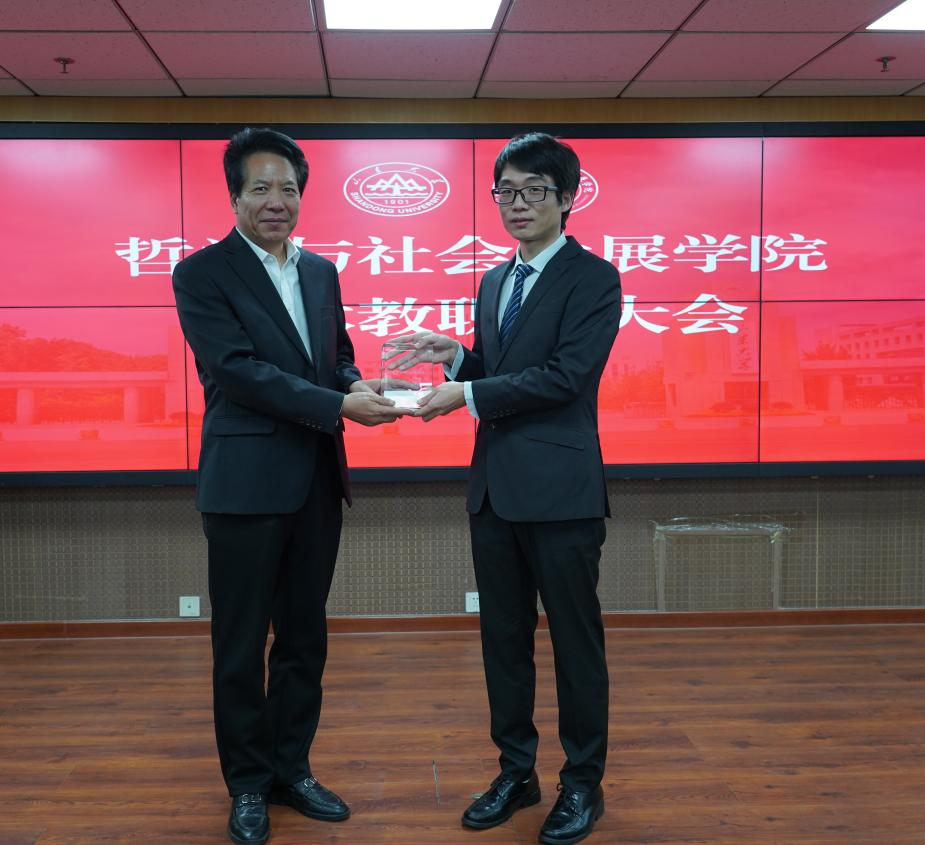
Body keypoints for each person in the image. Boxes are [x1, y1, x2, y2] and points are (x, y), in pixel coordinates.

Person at [172, 127, 406, 845]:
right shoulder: (201, 274)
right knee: (240, 644)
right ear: (234, 196)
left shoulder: (321, 272)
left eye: (289, 189)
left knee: (304, 638)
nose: (277, 201)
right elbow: (237, 372)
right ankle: (246, 783)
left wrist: (353, 383)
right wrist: (337, 405)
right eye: (261, 188)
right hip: (244, 485)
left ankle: (290, 769)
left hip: (315, 480)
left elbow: (335, 354)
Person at [402, 133, 620, 845]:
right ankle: (516, 772)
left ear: (567, 197)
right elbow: (503, 373)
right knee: (503, 641)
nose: (517, 203)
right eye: (506, 191)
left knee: (575, 645)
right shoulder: (495, 281)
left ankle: (582, 783)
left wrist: (466, 393)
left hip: (561, 493)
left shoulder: (594, 278)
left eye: (533, 190)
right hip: (494, 491)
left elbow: (564, 378)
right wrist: (458, 358)